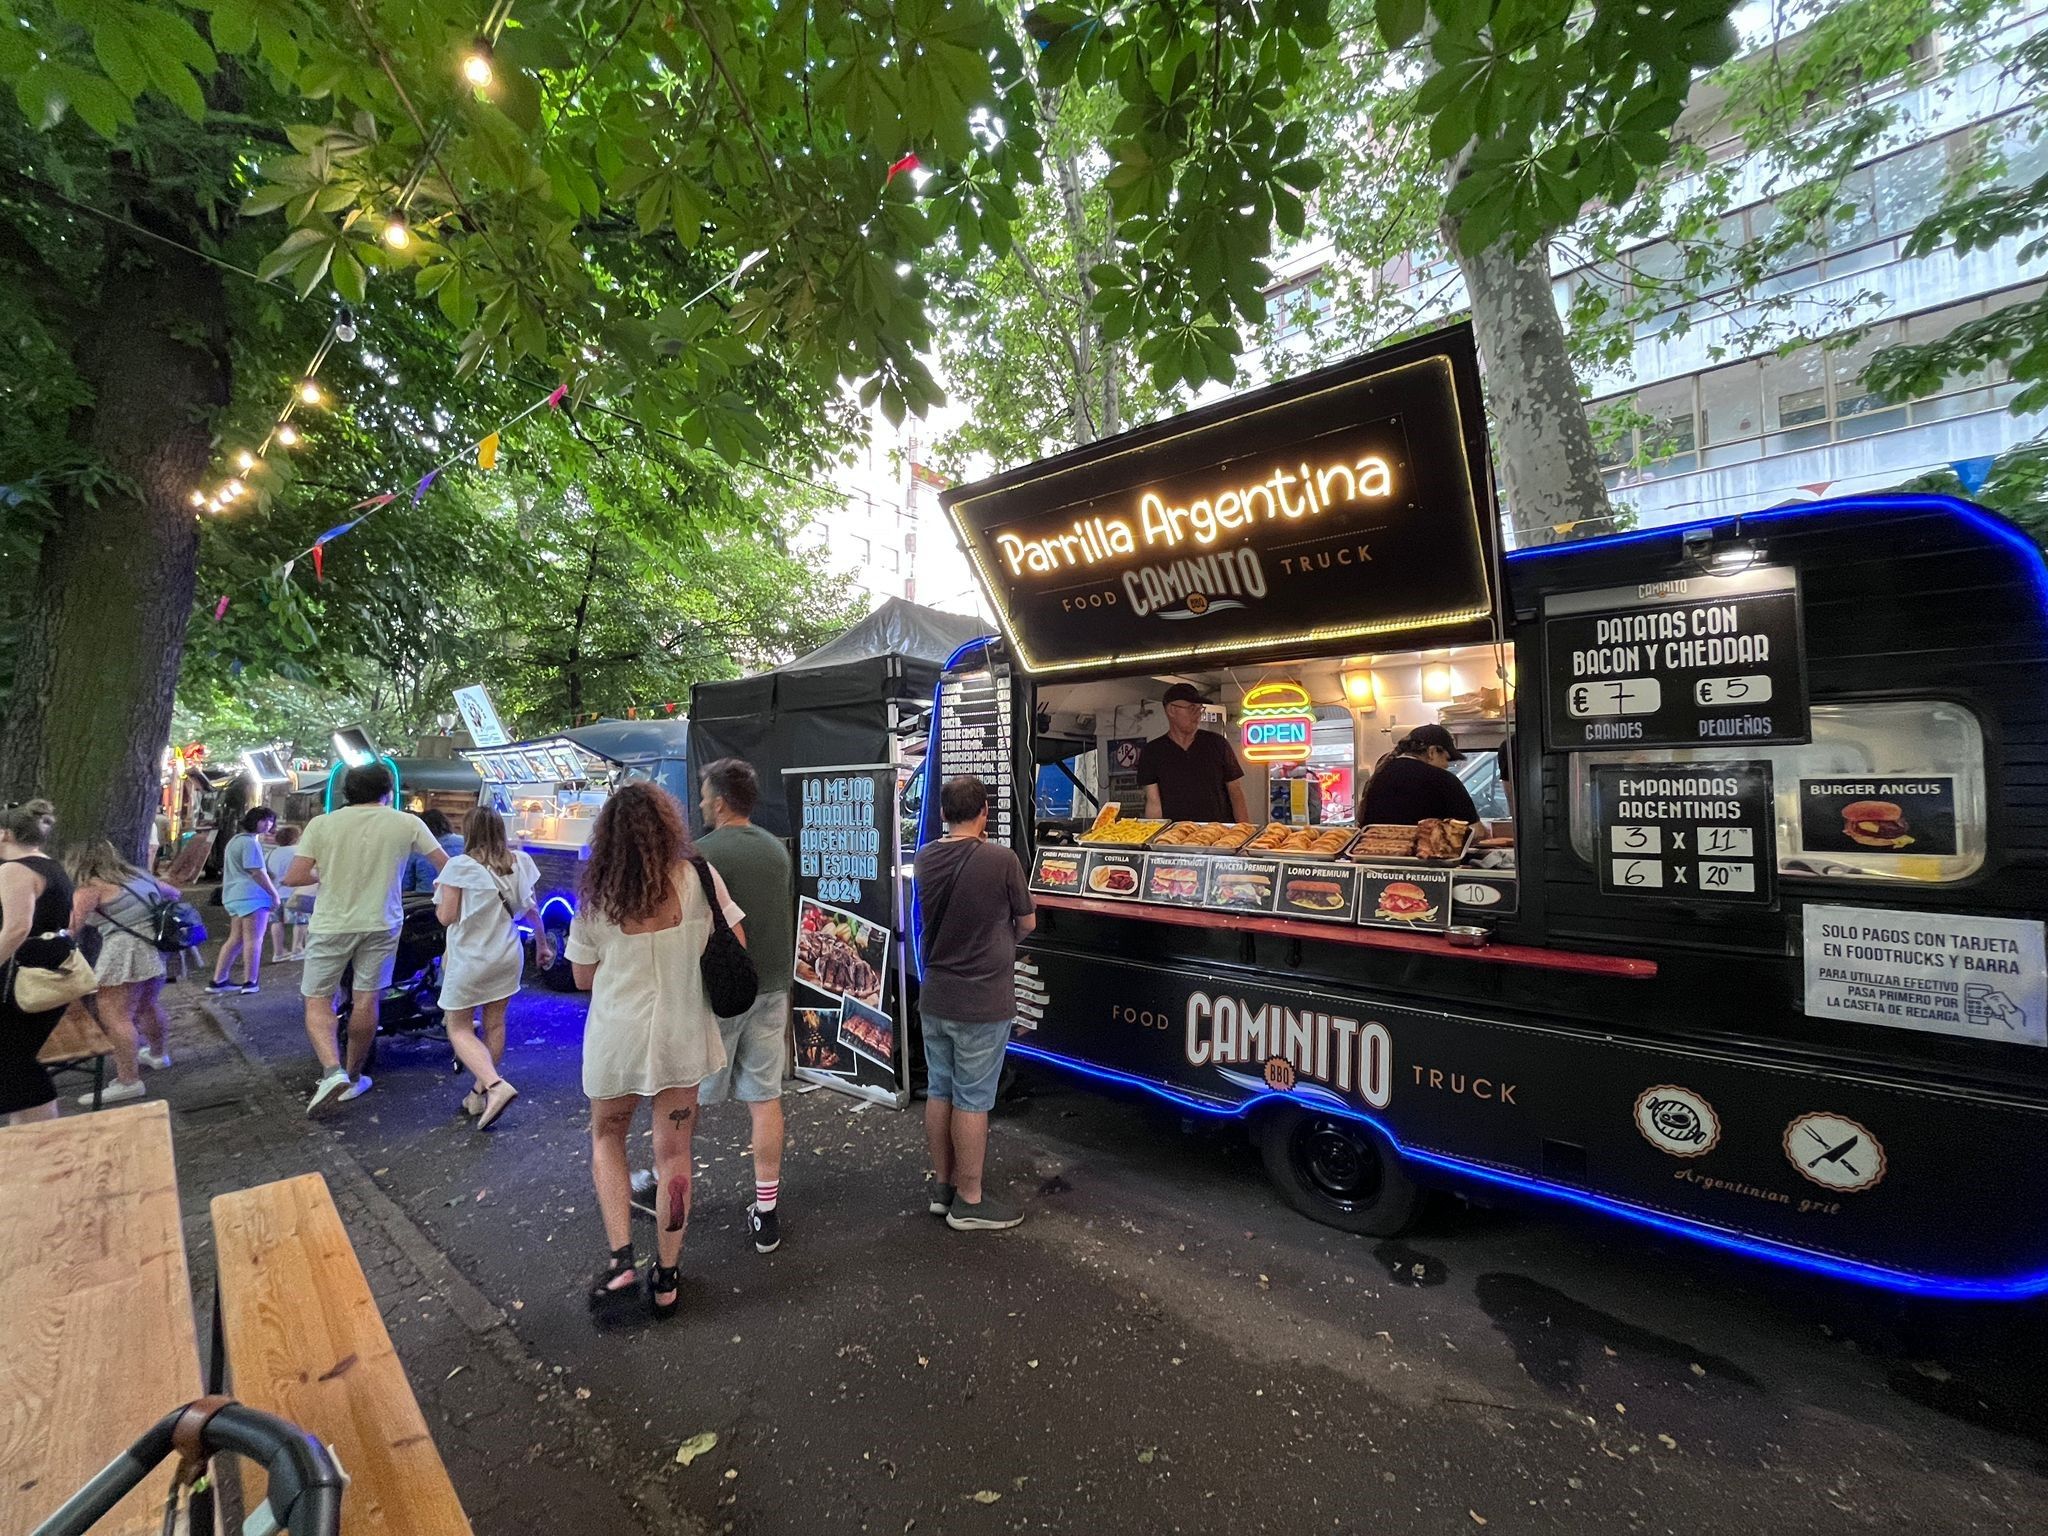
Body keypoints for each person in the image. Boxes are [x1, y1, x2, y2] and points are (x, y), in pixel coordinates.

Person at [567, 782, 745, 1317]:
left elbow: (580, 977)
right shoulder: (698, 877)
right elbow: (736, 944)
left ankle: (621, 1259)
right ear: (668, 825)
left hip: (616, 1042)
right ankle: (667, 1277)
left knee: (607, 1136)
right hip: (680, 1038)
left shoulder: (596, 894)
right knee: (673, 1154)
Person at [282, 764, 450, 1114]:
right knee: (366, 999)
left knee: (317, 1000)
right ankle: (355, 1076)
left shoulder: (322, 824)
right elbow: (446, 865)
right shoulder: (407, 823)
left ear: (346, 792)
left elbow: (295, 876)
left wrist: (328, 871)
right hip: (382, 923)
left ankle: (331, 1070)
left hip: (331, 924)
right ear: (388, 791)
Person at [916, 775, 1035, 1232]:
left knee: (941, 1090)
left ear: (943, 813)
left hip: (937, 996)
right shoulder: (1001, 859)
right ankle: (969, 1200)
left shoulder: (926, 858)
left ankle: (942, 1188)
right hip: (982, 1000)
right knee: (973, 1098)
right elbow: (1027, 922)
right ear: (985, 810)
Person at [693, 758, 794, 1254]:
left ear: (722, 801)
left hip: (718, 993)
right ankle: (767, 1211)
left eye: (704, 795)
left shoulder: (698, 855)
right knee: (764, 1097)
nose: (699, 803)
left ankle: (667, 1184)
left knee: (687, 1097)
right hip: (773, 986)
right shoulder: (777, 851)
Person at [434, 805, 550, 1130]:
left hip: (471, 958)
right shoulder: (521, 862)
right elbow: (531, 909)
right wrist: (542, 943)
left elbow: (446, 917)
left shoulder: (459, 866)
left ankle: (496, 1087)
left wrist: (441, 894)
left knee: (458, 1027)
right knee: (494, 1024)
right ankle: (478, 1094)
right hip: (508, 955)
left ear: (469, 833)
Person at [67, 840, 182, 1103]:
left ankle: (128, 1081)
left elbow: (71, 929)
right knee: (147, 1006)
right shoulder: (139, 876)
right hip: (154, 946)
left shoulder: (90, 889)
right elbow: (175, 894)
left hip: (123, 951)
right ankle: (157, 1055)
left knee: (115, 1015)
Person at [0, 798, 77, 1125]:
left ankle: (44, 1137)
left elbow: (17, 927)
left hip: (21, 976)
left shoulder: (15, 869)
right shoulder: (49, 865)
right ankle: (25, 1134)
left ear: (4, 834)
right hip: (47, 969)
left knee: (12, 1059)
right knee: (13, 1059)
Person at [1139, 682, 1250, 823]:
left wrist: (1244, 830)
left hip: (1219, 834)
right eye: (1191, 708)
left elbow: (1235, 791)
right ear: (1171, 710)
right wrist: (1153, 837)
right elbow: (1153, 802)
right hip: (1175, 836)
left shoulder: (1217, 743)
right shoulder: (1152, 752)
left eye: (1200, 709)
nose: (1197, 714)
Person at [209, 807, 280, 994]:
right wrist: (273, 893)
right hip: (252, 896)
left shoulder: (235, 841)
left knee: (235, 939)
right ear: (253, 820)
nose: (268, 824)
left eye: (271, 821)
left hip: (234, 895)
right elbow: (256, 871)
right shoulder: (250, 843)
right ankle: (251, 981)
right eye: (264, 820)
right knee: (254, 940)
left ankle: (218, 979)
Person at [1357, 723, 1479, 826]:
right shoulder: (1443, 779)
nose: (1447, 766)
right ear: (1432, 751)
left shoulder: (1380, 774)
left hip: (1373, 851)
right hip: (1426, 853)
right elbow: (1475, 831)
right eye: (1446, 758)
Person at [266, 824, 311, 962]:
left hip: (276, 893)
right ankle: (297, 949)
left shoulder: (271, 853)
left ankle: (278, 952)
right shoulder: (298, 852)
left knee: (276, 922)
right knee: (300, 921)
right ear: (295, 838)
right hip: (295, 892)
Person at [404, 809, 464, 895]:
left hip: (422, 901)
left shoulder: (416, 848)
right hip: (457, 899)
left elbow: (406, 884)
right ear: (446, 823)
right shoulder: (463, 843)